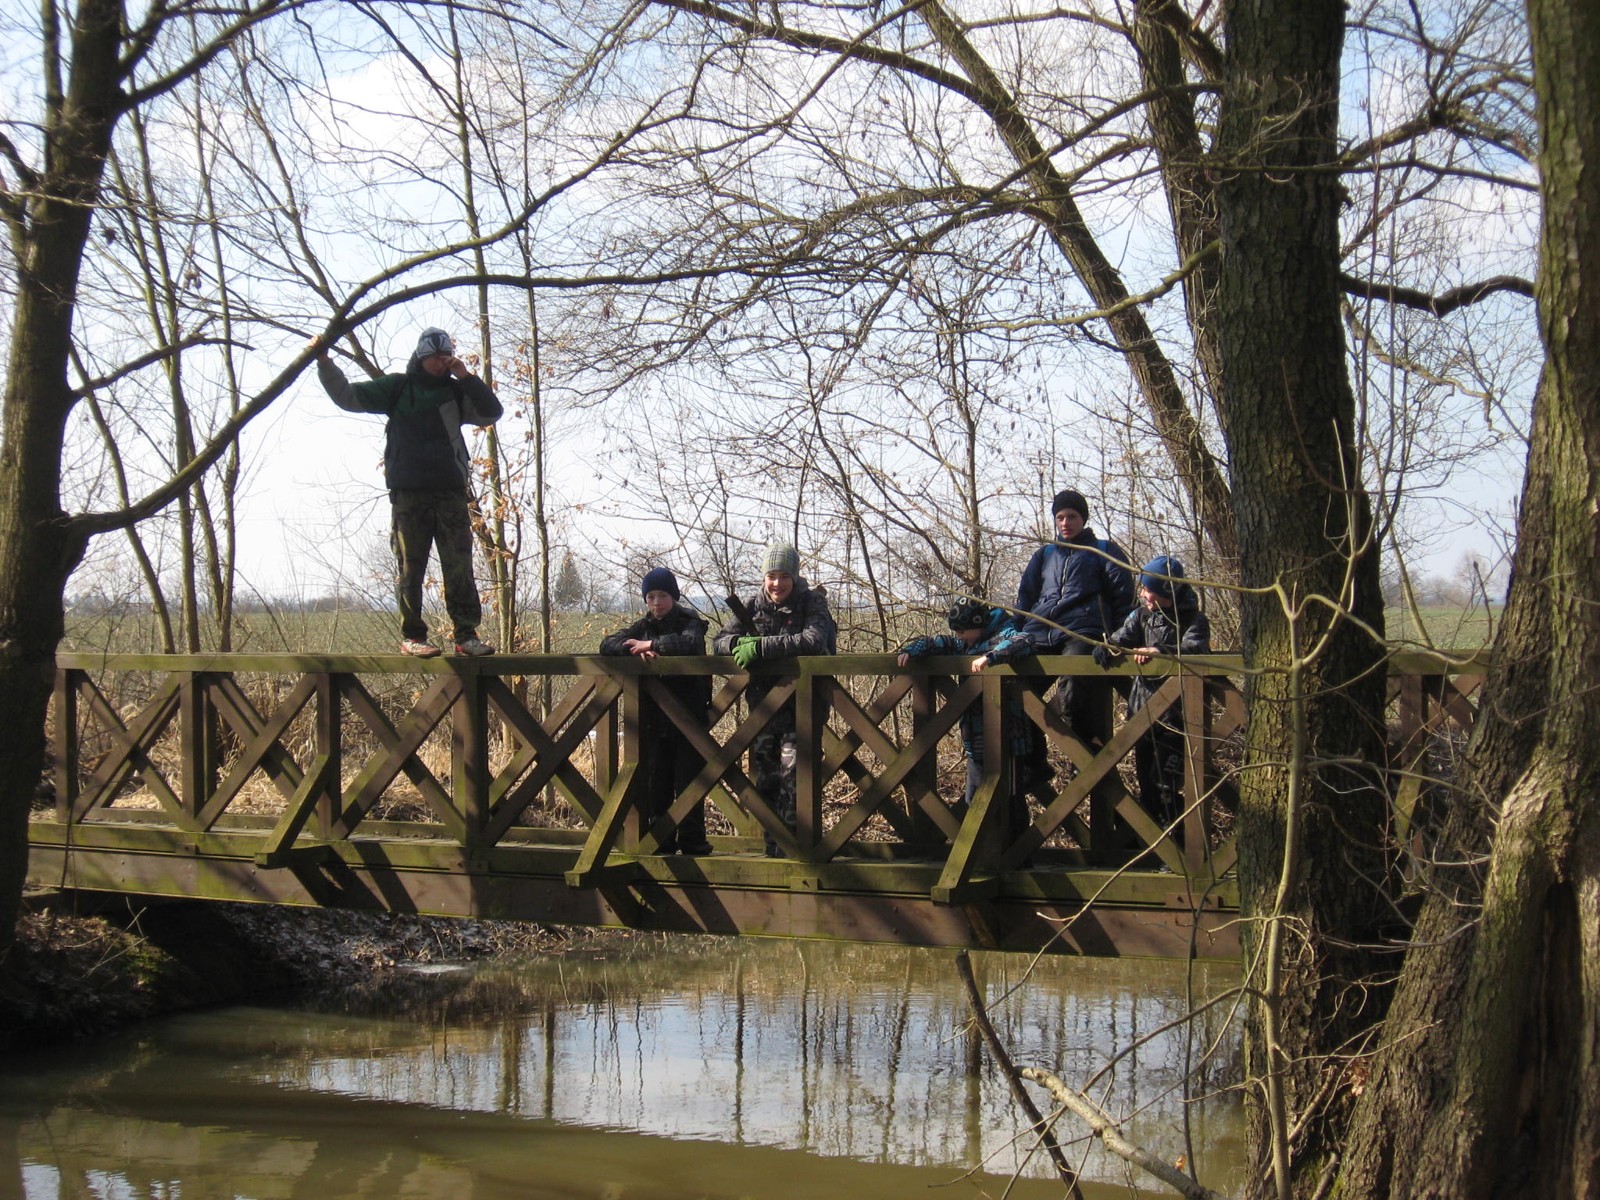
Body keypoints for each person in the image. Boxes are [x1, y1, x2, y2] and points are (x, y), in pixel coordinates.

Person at [315, 327, 502, 657]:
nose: (442, 363)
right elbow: (347, 397)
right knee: (410, 568)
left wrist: (466, 376)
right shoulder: (397, 387)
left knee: (459, 567)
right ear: (421, 357)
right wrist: (324, 361)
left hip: (450, 493)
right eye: (436, 358)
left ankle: (466, 637)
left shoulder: (456, 393)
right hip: (408, 495)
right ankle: (413, 637)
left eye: (446, 357)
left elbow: (491, 413)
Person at [712, 542, 837, 857]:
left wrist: (761, 647)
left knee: (795, 779)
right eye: (771, 576)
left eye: (783, 576)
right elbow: (718, 642)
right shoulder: (752, 606)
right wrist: (739, 643)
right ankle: (773, 849)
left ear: (794, 577)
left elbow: (814, 640)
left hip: (803, 708)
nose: (777, 583)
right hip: (764, 709)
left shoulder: (812, 603)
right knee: (766, 781)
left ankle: (796, 850)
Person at [896, 598, 1038, 833]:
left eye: (962, 631)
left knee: (1011, 799)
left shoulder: (1003, 634)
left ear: (978, 624)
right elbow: (938, 643)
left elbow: (1025, 640)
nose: (959, 636)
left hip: (1009, 738)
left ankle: (1016, 850)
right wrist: (910, 651)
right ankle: (983, 848)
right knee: (975, 799)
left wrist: (991, 657)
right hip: (976, 739)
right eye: (956, 632)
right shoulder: (964, 644)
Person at [599, 567, 713, 855]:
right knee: (657, 782)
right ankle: (661, 842)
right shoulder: (643, 625)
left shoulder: (690, 621)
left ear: (673, 596)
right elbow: (607, 644)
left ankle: (693, 844)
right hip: (655, 720)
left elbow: (690, 643)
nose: (657, 602)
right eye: (651, 596)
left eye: (662, 595)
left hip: (689, 718)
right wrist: (633, 649)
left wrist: (652, 645)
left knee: (689, 781)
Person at [1016, 489, 1136, 758]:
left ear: (1083, 518)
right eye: (1060, 517)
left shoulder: (1104, 551)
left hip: (1082, 631)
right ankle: (1034, 767)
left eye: (1071, 516)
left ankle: (1081, 764)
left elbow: (1123, 599)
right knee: (1013, 691)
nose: (1065, 523)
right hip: (1039, 632)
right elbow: (1025, 598)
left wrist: (1119, 639)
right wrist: (1012, 631)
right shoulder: (1044, 555)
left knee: (1073, 690)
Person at [1094, 556, 1211, 831]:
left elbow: (1195, 649)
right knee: (1147, 785)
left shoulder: (1194, 619)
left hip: (1178, 718)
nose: (1143, 594)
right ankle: (1155, 845)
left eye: (1149, 589)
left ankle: (1178, 845)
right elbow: (1121, 638)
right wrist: (1106, 647)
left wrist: (1160, 652)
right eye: (1144, 588)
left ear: (1166, 592)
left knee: (1164, 786)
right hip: (1143, 714)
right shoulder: (1142, 616)